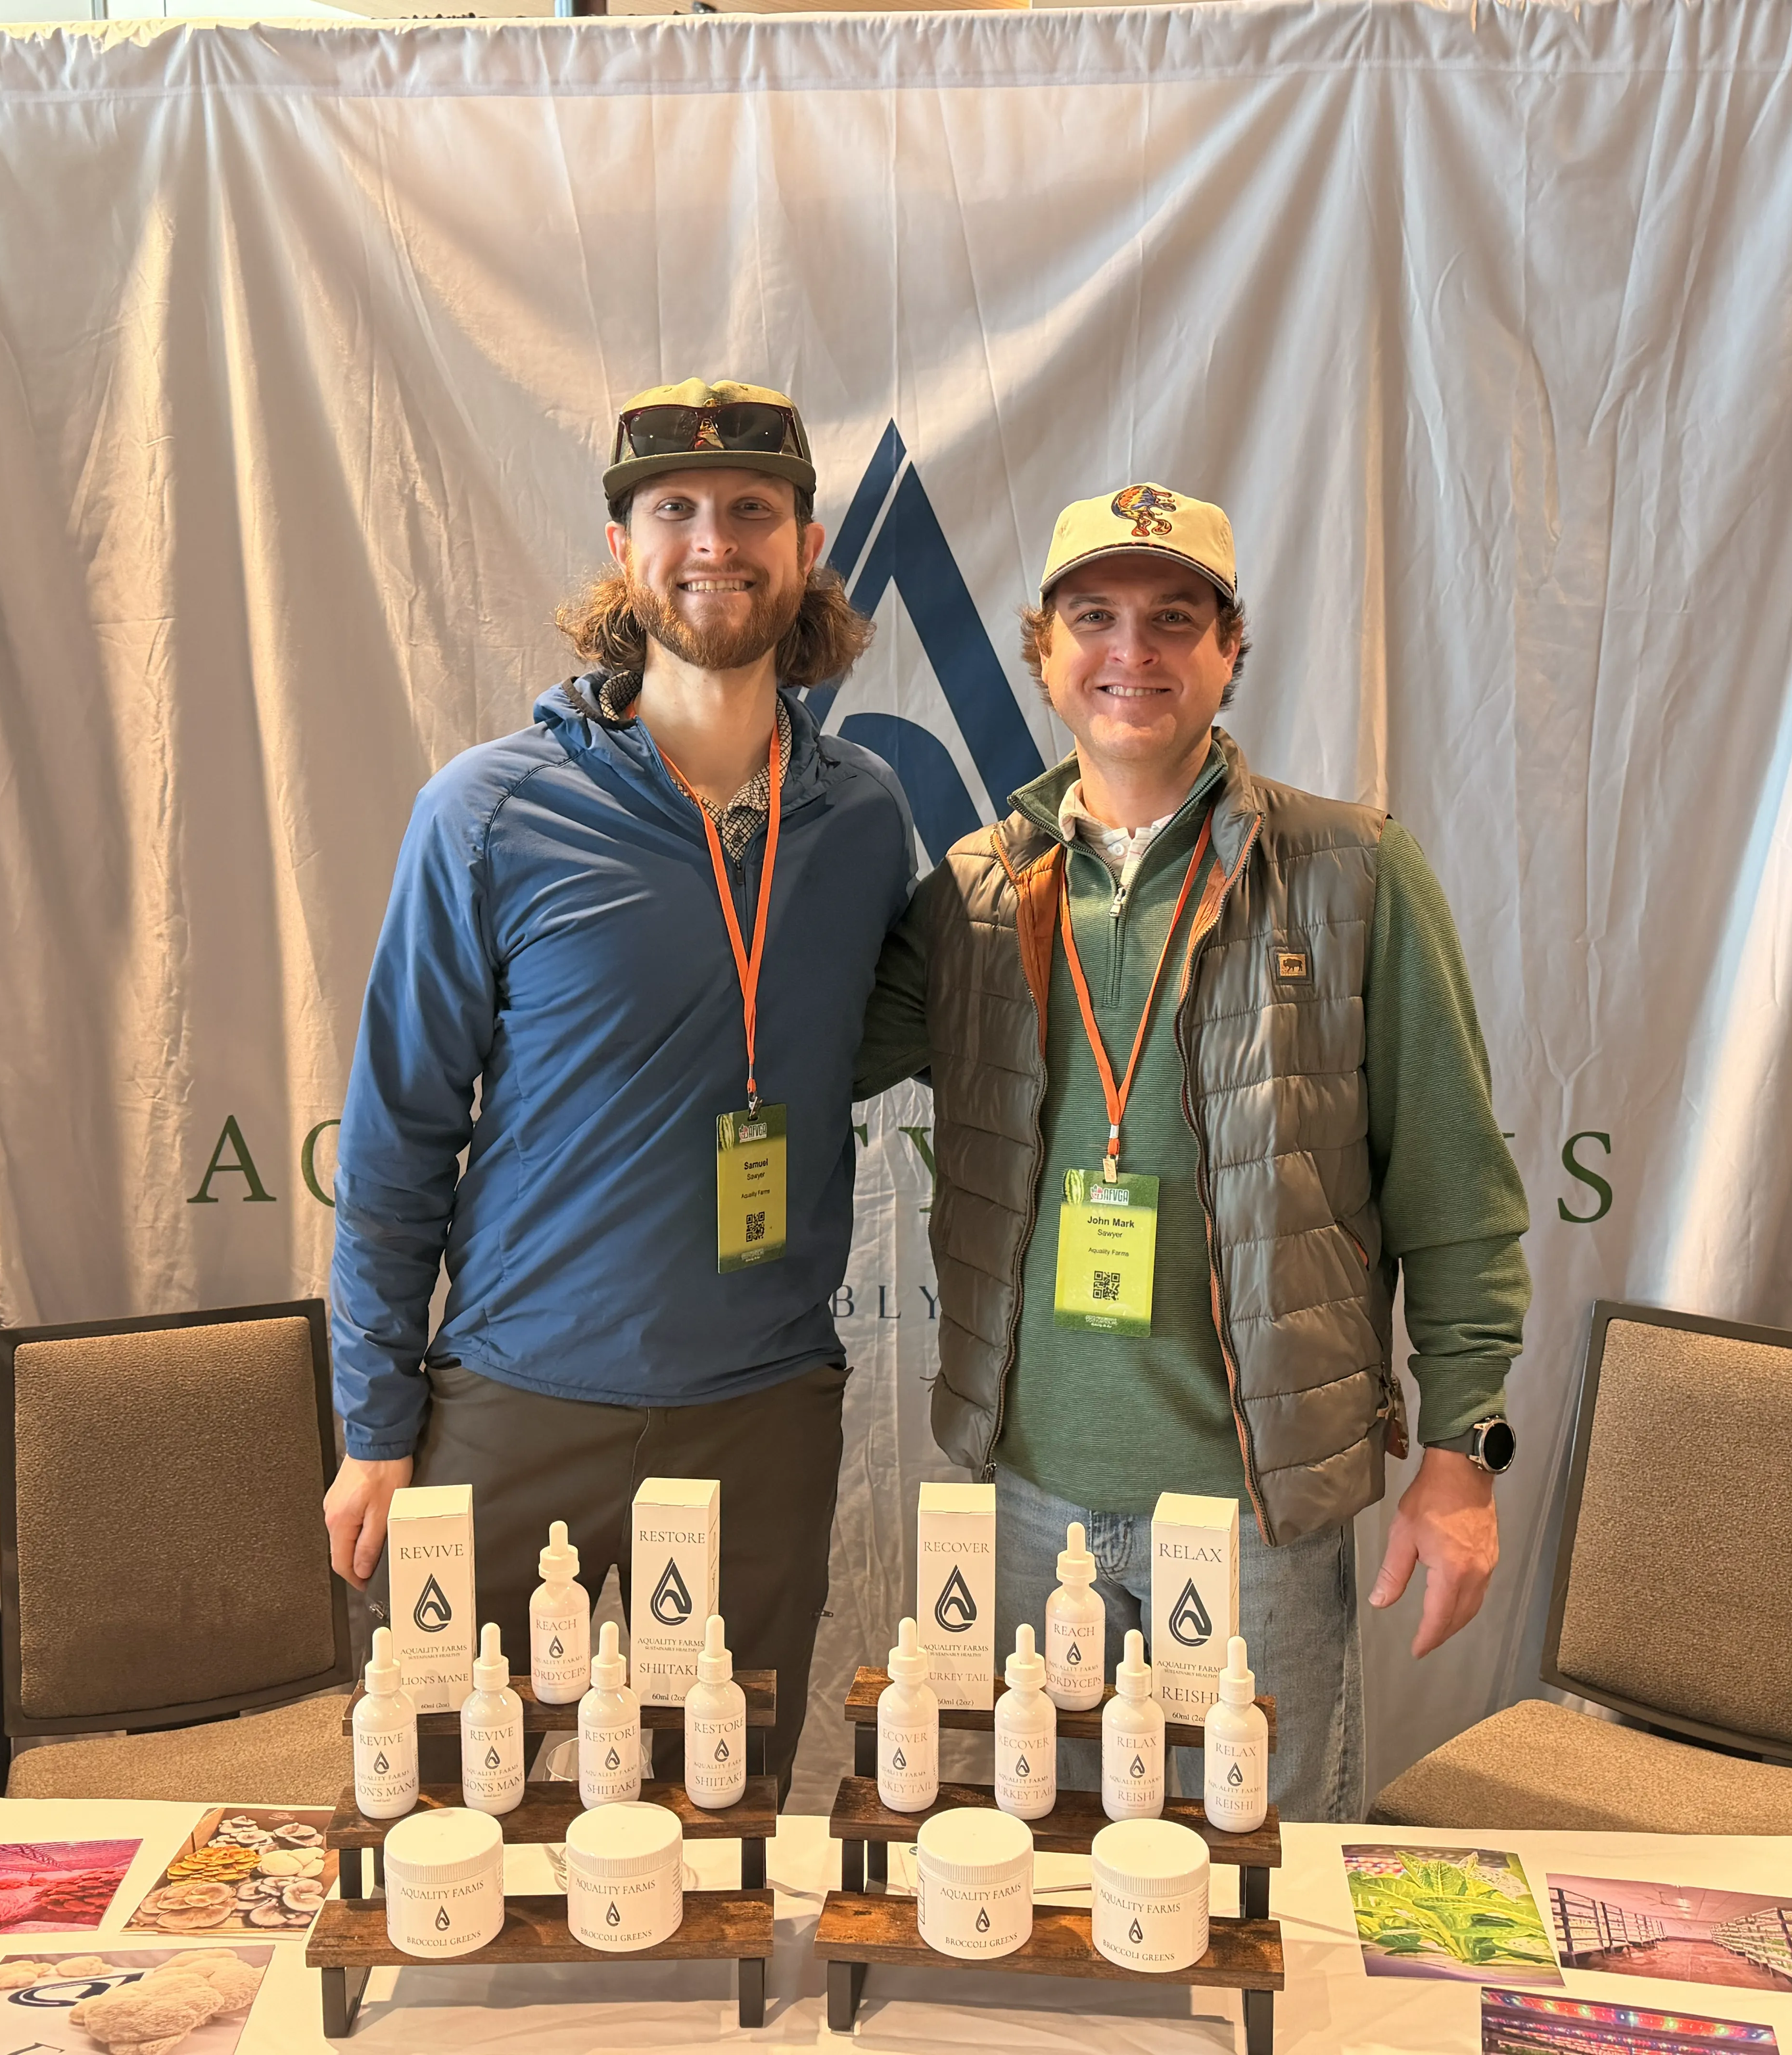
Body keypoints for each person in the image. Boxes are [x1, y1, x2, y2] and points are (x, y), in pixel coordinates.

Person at [855, 483, 1528, 1819]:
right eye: (1095, 617)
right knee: (1064, 1886)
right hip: (1029, 1492)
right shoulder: (977, 893)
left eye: (1176, 619)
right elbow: (792, 1053)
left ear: (1233, 651)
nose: (1134, 652)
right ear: (1042, 650)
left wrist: (1459, 1454)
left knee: (1256, 1898)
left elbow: (1457, 1197)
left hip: (1251, 1516)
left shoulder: (1355, 874)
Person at [326, 378, 915, 1795]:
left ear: (809, 543)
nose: (716, 541)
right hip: (514, 1408)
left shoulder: (867, 817)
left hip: (760, 1414)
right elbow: (400, 1130)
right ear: (621, 546)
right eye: (676, 512)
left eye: (753, 511)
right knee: (441, 1808)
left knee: (717, 1813)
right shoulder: (488, 810)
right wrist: (370, 1425)